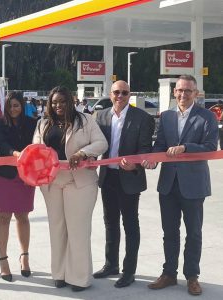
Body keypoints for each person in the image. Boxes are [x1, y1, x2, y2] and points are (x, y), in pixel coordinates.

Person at [142, 75, 218, 296]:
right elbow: (161, 145)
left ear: (196, 94)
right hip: (168, 184)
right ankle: (169, 274)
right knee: (169, 232)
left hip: (193, 185)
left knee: (193, 232)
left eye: (188, 91)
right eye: (180, 90)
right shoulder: (166, 117)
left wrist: (186, 147)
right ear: (174, 92)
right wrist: (153, 160)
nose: (183, 94)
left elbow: (211, 147)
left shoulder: (207, 117)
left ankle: (192, 276)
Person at [33, 86, 107, 292]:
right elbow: (35, 148)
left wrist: (82, 153)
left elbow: (102, 143)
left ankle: (80, 278)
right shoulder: (43, 123)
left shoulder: (85, 120)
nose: (58, 105)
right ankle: (59, 274)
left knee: (78, 230)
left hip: (80, 182)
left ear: (70, 102)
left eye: (62, 101)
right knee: (57, 229)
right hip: (52, 183)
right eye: (55, 102)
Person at [94, 80, 155, 288]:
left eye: (124, 93)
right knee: (110, 223)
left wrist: (136, 165)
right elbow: (95, 144)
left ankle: (129, 272)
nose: (120, 96)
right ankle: (111, 265)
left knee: (130, 225)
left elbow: (145, 148)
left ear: (130, 95)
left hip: (130, 178)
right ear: (110, 94)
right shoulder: (101, 116)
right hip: (108, 178)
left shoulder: (143, 118)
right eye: (116, 92)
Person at [0, 91, 37, 282]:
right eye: (10, 106)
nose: (13, 109)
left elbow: (38, 142)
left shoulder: (32, 122)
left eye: (16, 105)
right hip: (3, 174)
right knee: (3, 217)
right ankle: (3, 260)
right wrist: (13, 152)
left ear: (22, 105)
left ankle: (24, 256)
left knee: (22, 216)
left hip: (26, 175)